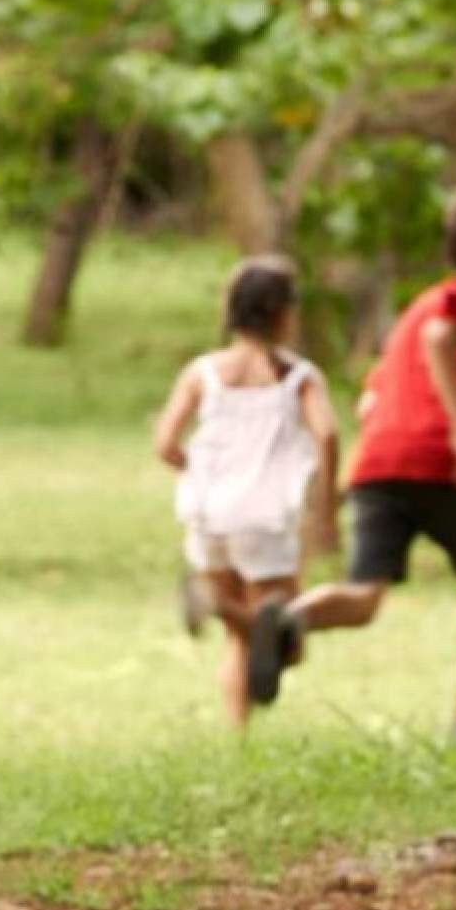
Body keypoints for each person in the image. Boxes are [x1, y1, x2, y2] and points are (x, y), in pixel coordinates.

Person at [260, 183, 456, 745]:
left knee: (364, 598)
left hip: (380, 460)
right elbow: (441, 342)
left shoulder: (418, 307)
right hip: (438, 462)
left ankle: (291, 619)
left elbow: (374, 399)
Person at [153, 256, 339, 726]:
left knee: (245, 637)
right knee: (287, 641)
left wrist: (194, 471)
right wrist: (326, 506)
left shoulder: (203, 372)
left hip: (208, 512)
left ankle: (239, 735)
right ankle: (215, 606)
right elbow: (329, 434)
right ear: (283, 314)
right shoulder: (299, 378)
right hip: (266, 517)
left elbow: (165, 443)